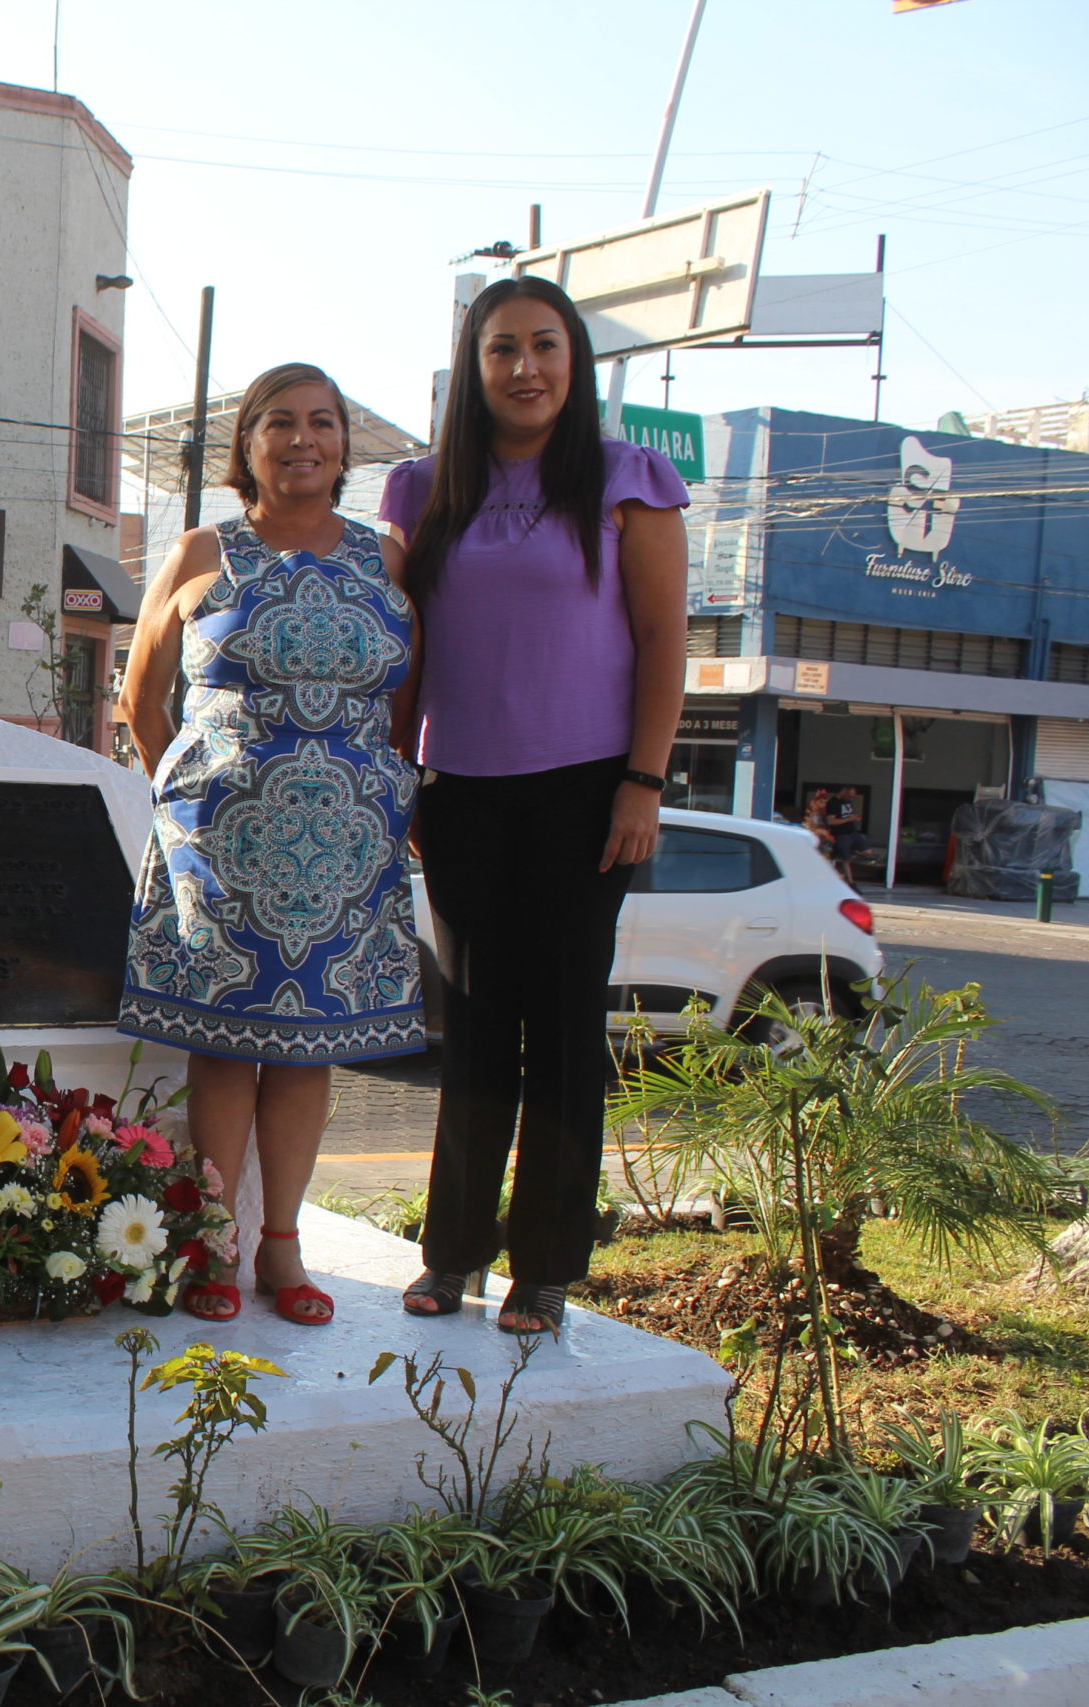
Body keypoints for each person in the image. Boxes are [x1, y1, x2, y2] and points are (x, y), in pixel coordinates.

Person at [381, 276, 689, 1336]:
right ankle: (451, 1254)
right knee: (470, 1030)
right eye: (502, 348)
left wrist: (641, 785)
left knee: (560, 1031)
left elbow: (662, 646)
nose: (524, 368)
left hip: (586, 795)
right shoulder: (423, 491)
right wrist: (397, 776)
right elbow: (408, 655)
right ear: (471, 369)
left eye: (545, 346)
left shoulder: (622, 479)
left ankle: (546, 1263)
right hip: (458, 790)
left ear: (576, 361)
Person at [118, 362, 427, 1326]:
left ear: (345, 446)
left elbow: (406, 704)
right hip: (223, 841)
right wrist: (194, 796)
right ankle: (213, 1239)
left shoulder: (391, 557)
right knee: (224, 1048)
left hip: (349, 842)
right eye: (280, 424)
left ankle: (281, 1248)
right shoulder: (203, 549)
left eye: (323, 423)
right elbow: (139, 698)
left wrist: (386, 798)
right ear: (247, 446)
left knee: (307, 1052)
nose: (304, 440)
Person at [826, 787, 871, 882]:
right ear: (844, 792)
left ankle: (845, 851)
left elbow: (846, 815)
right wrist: (849, 819)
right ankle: (851, 882)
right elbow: (831, 821)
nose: (851, 798)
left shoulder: (847, 802)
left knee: (867, 851)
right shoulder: (833, 802)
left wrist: (854, 818)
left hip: (852, 832)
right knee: (846, 860)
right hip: (841, 833)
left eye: (853, 796)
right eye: (850, 796)